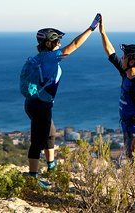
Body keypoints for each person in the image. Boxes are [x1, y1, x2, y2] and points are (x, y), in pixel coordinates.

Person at [25, 14, 101, 181]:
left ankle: (51, 166)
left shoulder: (42, 59)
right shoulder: (50, 58)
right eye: (56, 41)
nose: (59, 44)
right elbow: (74, 45)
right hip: (40, 105)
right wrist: (91, 29)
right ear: (48, 43)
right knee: (38, 140)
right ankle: (32, 178)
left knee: (50, 133)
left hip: (36, 103)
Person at [98, 16, 135, 192]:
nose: (121, 58)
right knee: (133, 161)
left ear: (132, 61)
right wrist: (102, 32)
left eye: (125, 57)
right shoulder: (126, 74)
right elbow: (110, 52)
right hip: (129, 128)